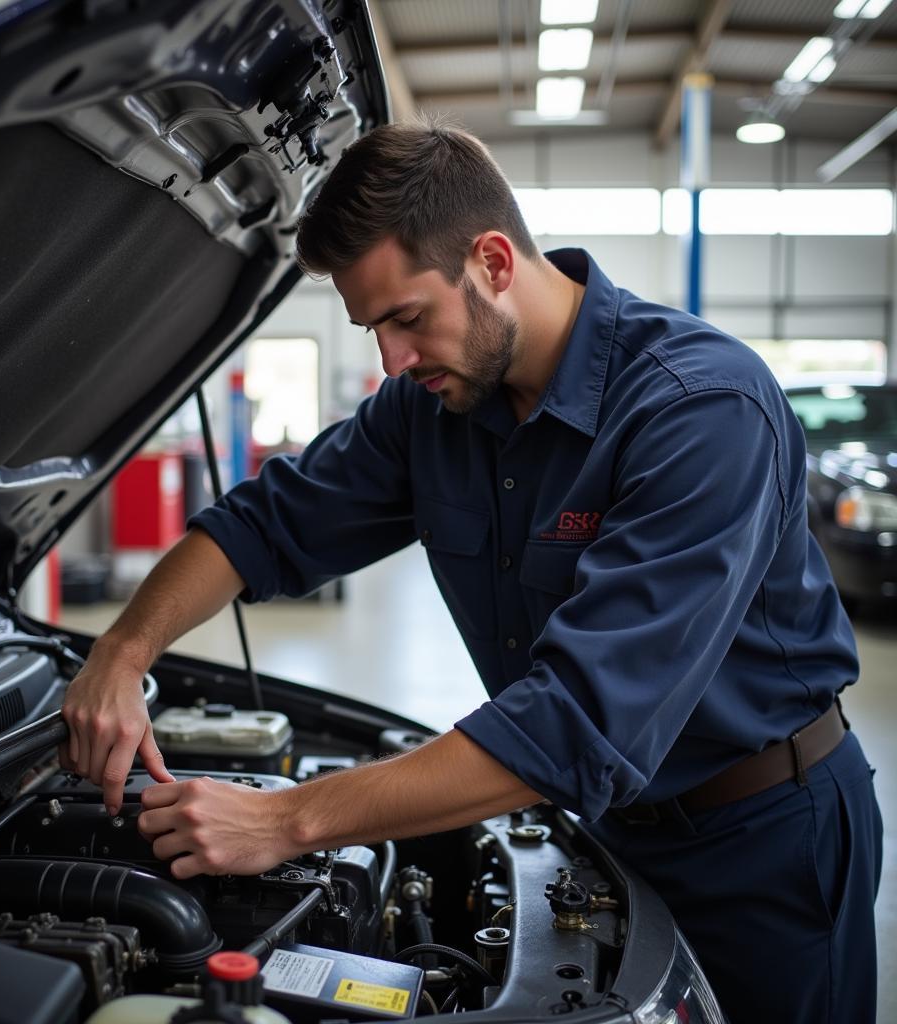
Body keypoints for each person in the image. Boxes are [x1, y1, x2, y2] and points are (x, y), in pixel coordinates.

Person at [61, 120, 883, 1022]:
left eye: (407, 318)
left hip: (761, 841)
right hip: (604, 833)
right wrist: (123, 651)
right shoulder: (429, 412)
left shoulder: (699, 411)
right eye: (373, 329)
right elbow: (262, 525)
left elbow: (576, 727)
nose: (392, 360)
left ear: (493, 261)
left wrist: (284, 819)